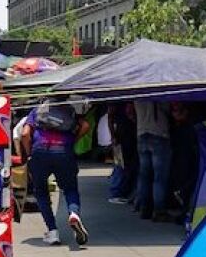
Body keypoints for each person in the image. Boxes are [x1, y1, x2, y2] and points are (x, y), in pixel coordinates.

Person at [21, 99, 91, 247]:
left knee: (41, 192)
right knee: (70, 188)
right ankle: (73, 213)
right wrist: (72, 141)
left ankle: (52, 232)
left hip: (40, 151)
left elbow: (25, 134)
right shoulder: (70, 109)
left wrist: (29, 154)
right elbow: (85, 125)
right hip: (63, 151)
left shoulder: (38, 110)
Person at [132, 99, 172, 220]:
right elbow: (167, 108)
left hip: (141, 133)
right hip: (159, 133)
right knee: (159, 177)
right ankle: (159, 210)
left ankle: (144, 208)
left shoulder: (138, 93)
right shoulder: (157, 91)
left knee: (144, 175)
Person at [105, 102, 137, 206]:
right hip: (125, 136)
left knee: (121, 165)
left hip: (121, 135)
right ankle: (117, 192)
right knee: (122, 166)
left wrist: (113, 136)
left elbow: (110, 118)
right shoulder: (122, 102)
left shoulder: (117, 100)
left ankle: (119, 192)